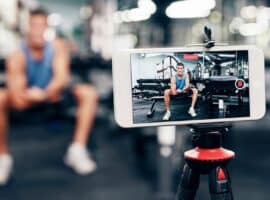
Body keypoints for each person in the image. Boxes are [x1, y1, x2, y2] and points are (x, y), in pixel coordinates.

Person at [0, 8, 99, 185]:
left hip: (54, 96)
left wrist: (44, 93)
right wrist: (30, 96)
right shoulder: (17, 54)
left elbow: (60, 79)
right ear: (27, 27)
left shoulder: (57, 46)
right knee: (1, 97)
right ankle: (3, 158)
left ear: (47, 27)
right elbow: (16, 97)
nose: (38, 29)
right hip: (26, 98)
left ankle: (77, 150)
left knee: (88, 92)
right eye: (34, 25)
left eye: (42, 25)